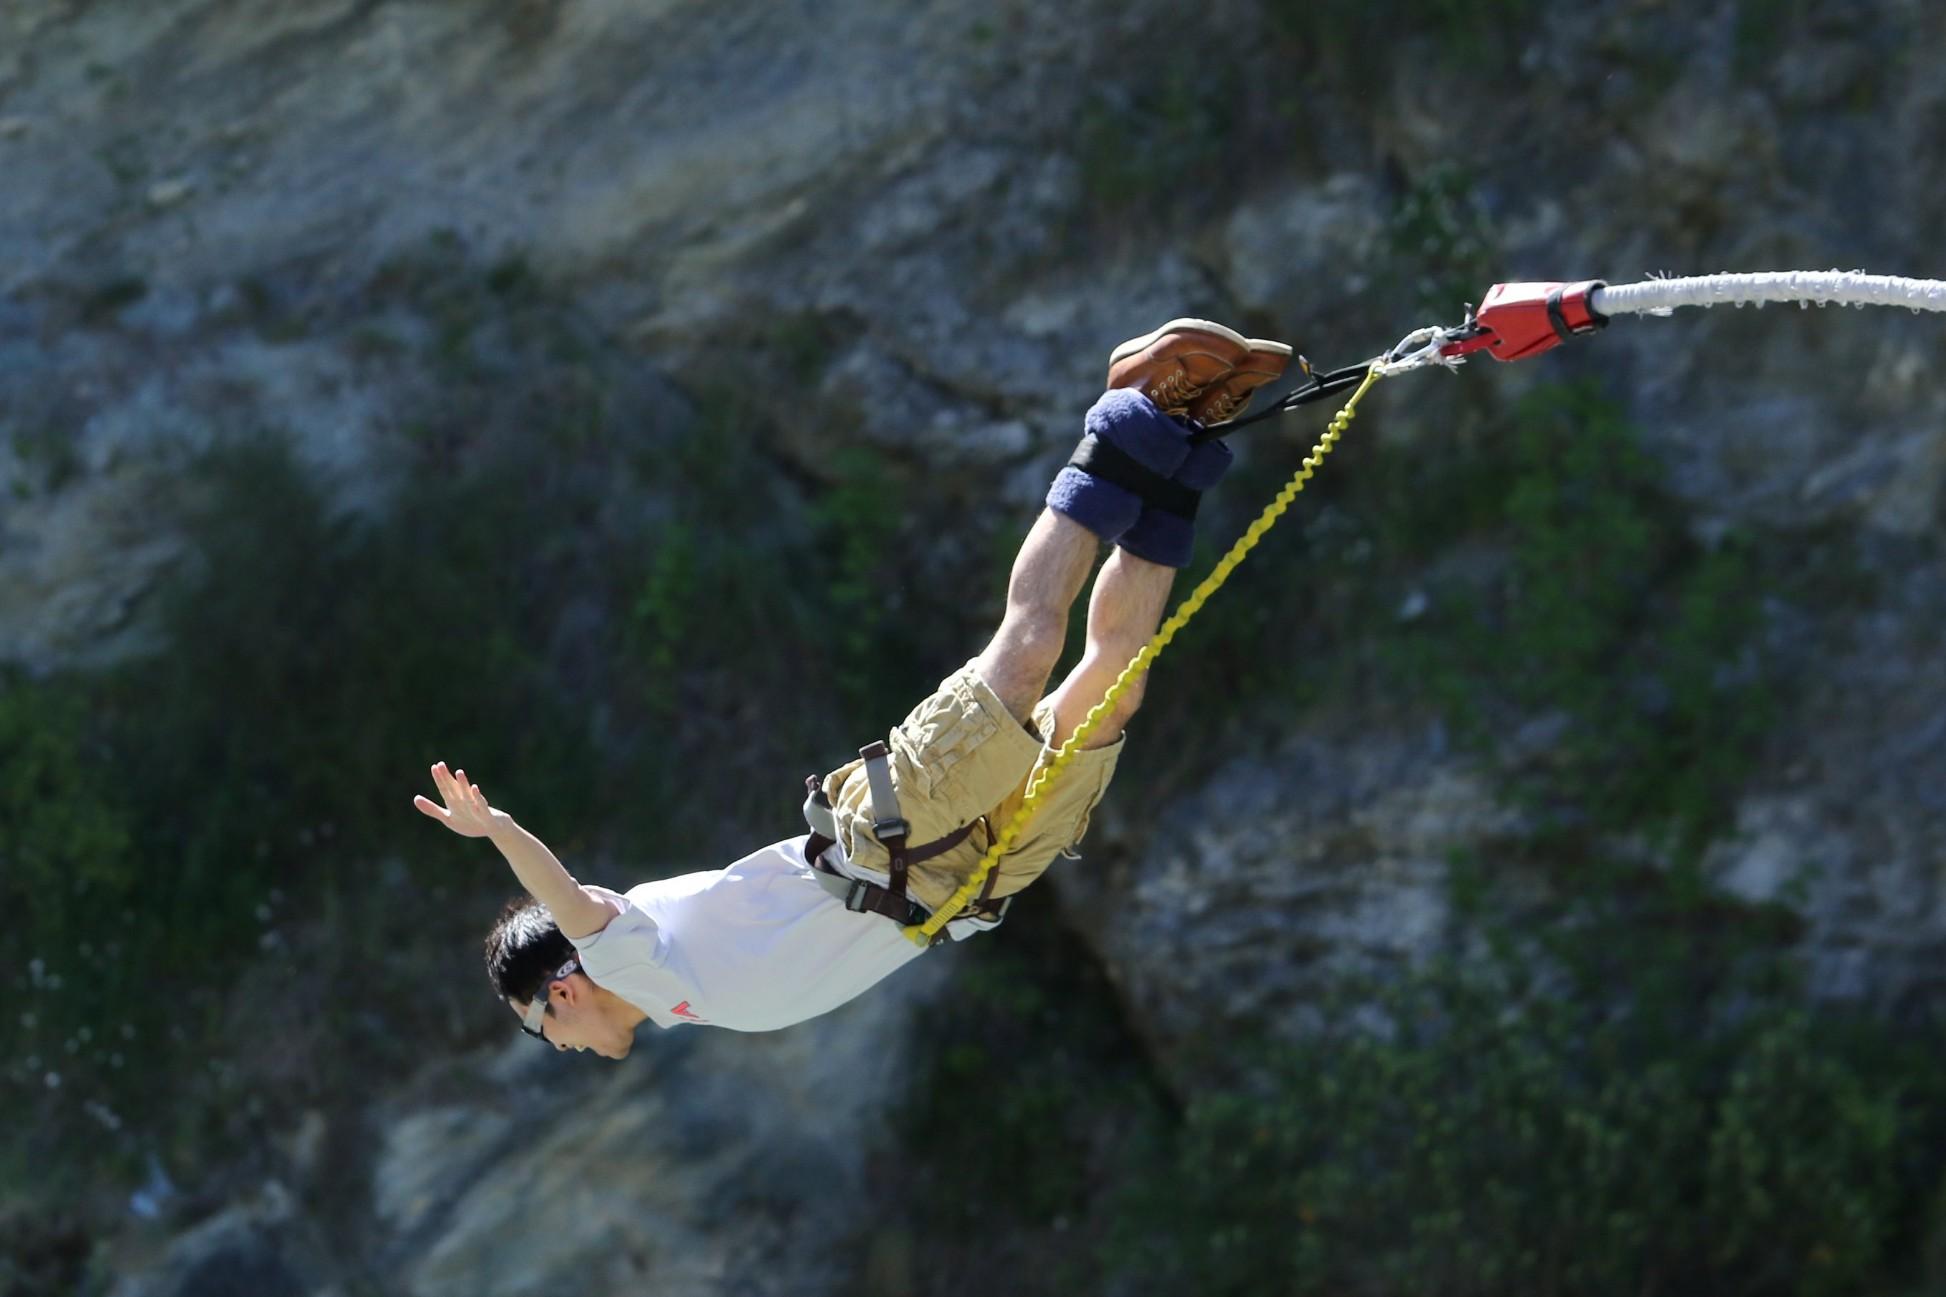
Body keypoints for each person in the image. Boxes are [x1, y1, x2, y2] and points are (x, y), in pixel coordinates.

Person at [413, 320, 1293, 1056]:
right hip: (964, 881)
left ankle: (1124, 417)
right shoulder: (672, 988)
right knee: (1117, 686)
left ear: (560, 994)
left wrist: (498, 832)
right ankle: (1176, 456)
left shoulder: (622, 963)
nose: (561, 1050)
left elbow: (569, 905)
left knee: (1027, 651)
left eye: (539, 1029)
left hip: (890, 837)